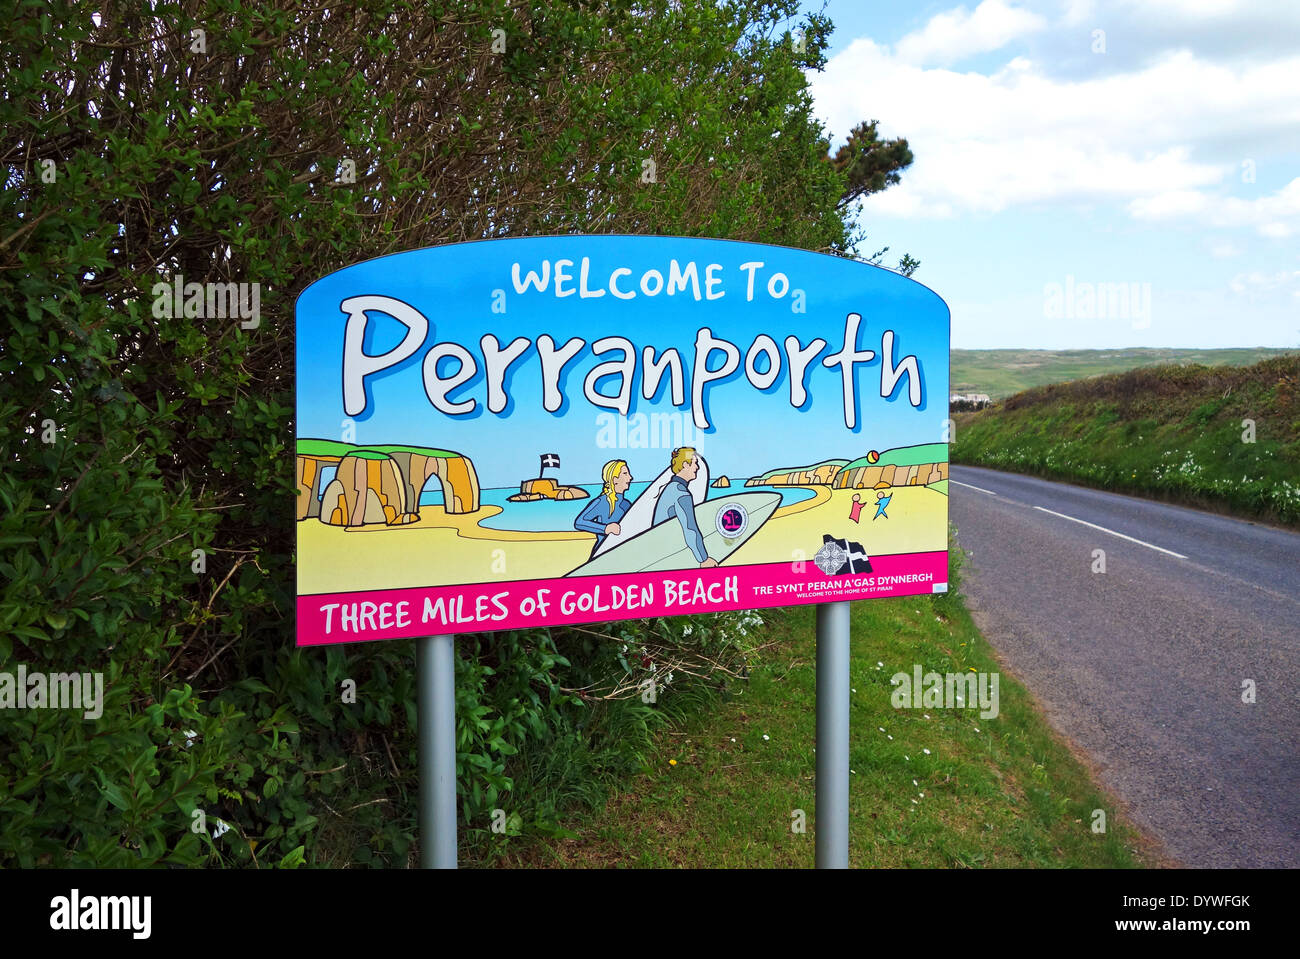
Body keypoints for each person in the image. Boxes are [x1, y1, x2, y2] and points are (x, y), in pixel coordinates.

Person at [652, 447, 717, 568]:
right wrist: (704, 559)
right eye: (695, 463)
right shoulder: (681, 493)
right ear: (685, 465)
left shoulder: (671, 488)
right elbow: (690, 528)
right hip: (666, 554)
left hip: (660, 549)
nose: (697, 468)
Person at [574, 459, 633, 557]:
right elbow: (579, 522)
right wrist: (605, 528)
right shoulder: (602, 502)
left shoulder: (627, 504)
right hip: (602, 554)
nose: (630, 478)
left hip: (622, 553)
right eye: (625, 474)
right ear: (615, 479)